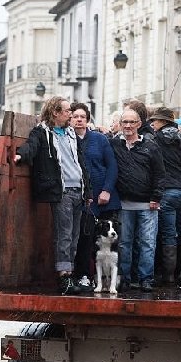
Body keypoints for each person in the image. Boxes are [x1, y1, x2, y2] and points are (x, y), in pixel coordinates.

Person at [14, 96, 92, 295]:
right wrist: (20, 155)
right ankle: (64, 277)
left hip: (78, 191)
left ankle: (70, 273)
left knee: (74, 236)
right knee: (63, 235)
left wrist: (88, 190)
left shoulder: (71, 134)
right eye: (67, 111)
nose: (71, 114)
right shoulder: (42, 133)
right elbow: (31, 147)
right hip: (62, 191)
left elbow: (81, 163)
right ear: (56, 113)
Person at [109, 108, 166, 293]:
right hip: (124, 203)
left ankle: (146, 278)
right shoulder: (114, 145)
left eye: (132, 122)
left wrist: (156, 197)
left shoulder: (151, 147)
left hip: (148, 204)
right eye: (124, 122)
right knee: (124, 243)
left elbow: (160, 174)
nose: (127, 126)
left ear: (139, 124)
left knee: (148, 243)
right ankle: (125, 278)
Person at [70, 102, 121, 288]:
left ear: (88, 119)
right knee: (84, 239)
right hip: (83, 200)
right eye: (75, 116)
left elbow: (112, 166)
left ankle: (112, 280)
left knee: (109, 240)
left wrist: (107, 190)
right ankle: (84, 275)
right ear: (70, 119)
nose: (79, 120)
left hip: (105, 198)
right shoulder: (68, 140)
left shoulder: (100, 139)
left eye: (82, 117)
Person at [148, 107, 181, 285]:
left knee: (168, 235)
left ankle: (169, 277)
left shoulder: (155, 140)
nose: (152, 123)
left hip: (167, 192)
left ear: (163, 122)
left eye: (155, 120)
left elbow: (153, 168)